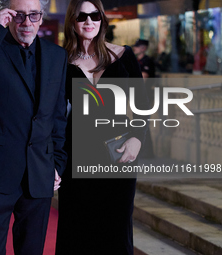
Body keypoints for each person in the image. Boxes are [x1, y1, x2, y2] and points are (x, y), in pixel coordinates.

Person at [0, 0, 68, 254]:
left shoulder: (56, 55)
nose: (26, 22)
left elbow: (58, 115)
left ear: (41, 17)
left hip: (39, 172)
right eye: (19, 15)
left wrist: (57, 162)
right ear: (6, 16)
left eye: (33, 15)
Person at [56, 1, 149, 254]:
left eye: (95, 16)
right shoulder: (60, 60)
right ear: (72, 21)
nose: (89, 22)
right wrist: (53, 159)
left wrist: (137, 139)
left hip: (118, 152)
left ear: (102, 20)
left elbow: (142, 105)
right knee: (76, 229)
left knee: (116, 229)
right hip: (76, 154)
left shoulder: (123, 55)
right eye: (82, 16)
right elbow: (51, 115)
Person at [133, 39, 155, 158]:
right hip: (136, 96)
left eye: (137, 47)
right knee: (138, 123)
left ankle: (147, 153)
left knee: (142, 124)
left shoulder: (147, 61)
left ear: (143, 48)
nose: (134, 49)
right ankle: (143, 152)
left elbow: (142, 79)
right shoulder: (137, 61)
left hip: (144, 97)